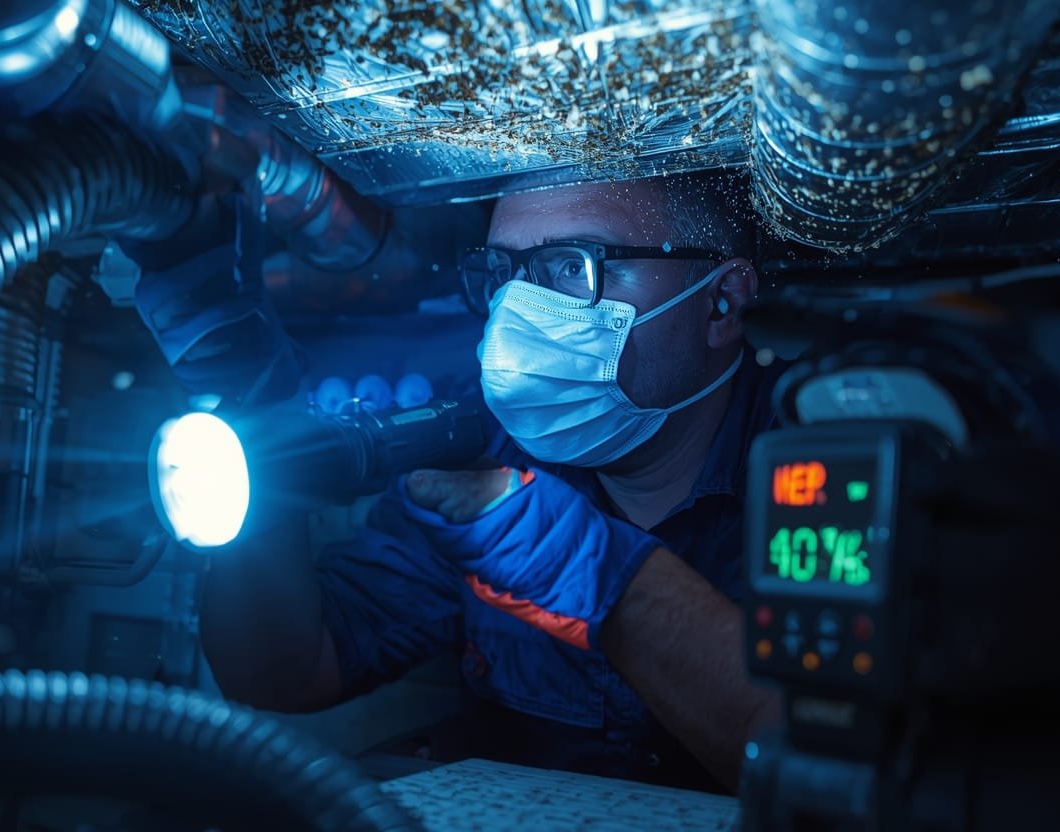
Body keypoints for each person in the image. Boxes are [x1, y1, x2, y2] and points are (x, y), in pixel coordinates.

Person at [188, 171, 783, 794]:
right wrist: (267, 489)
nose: (516, 315)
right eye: (502, 274)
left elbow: (845, 771)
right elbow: (286, 671)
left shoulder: (830, 478)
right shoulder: (482, 465)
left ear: (723, 303)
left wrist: (571, 561)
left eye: (572, 268)